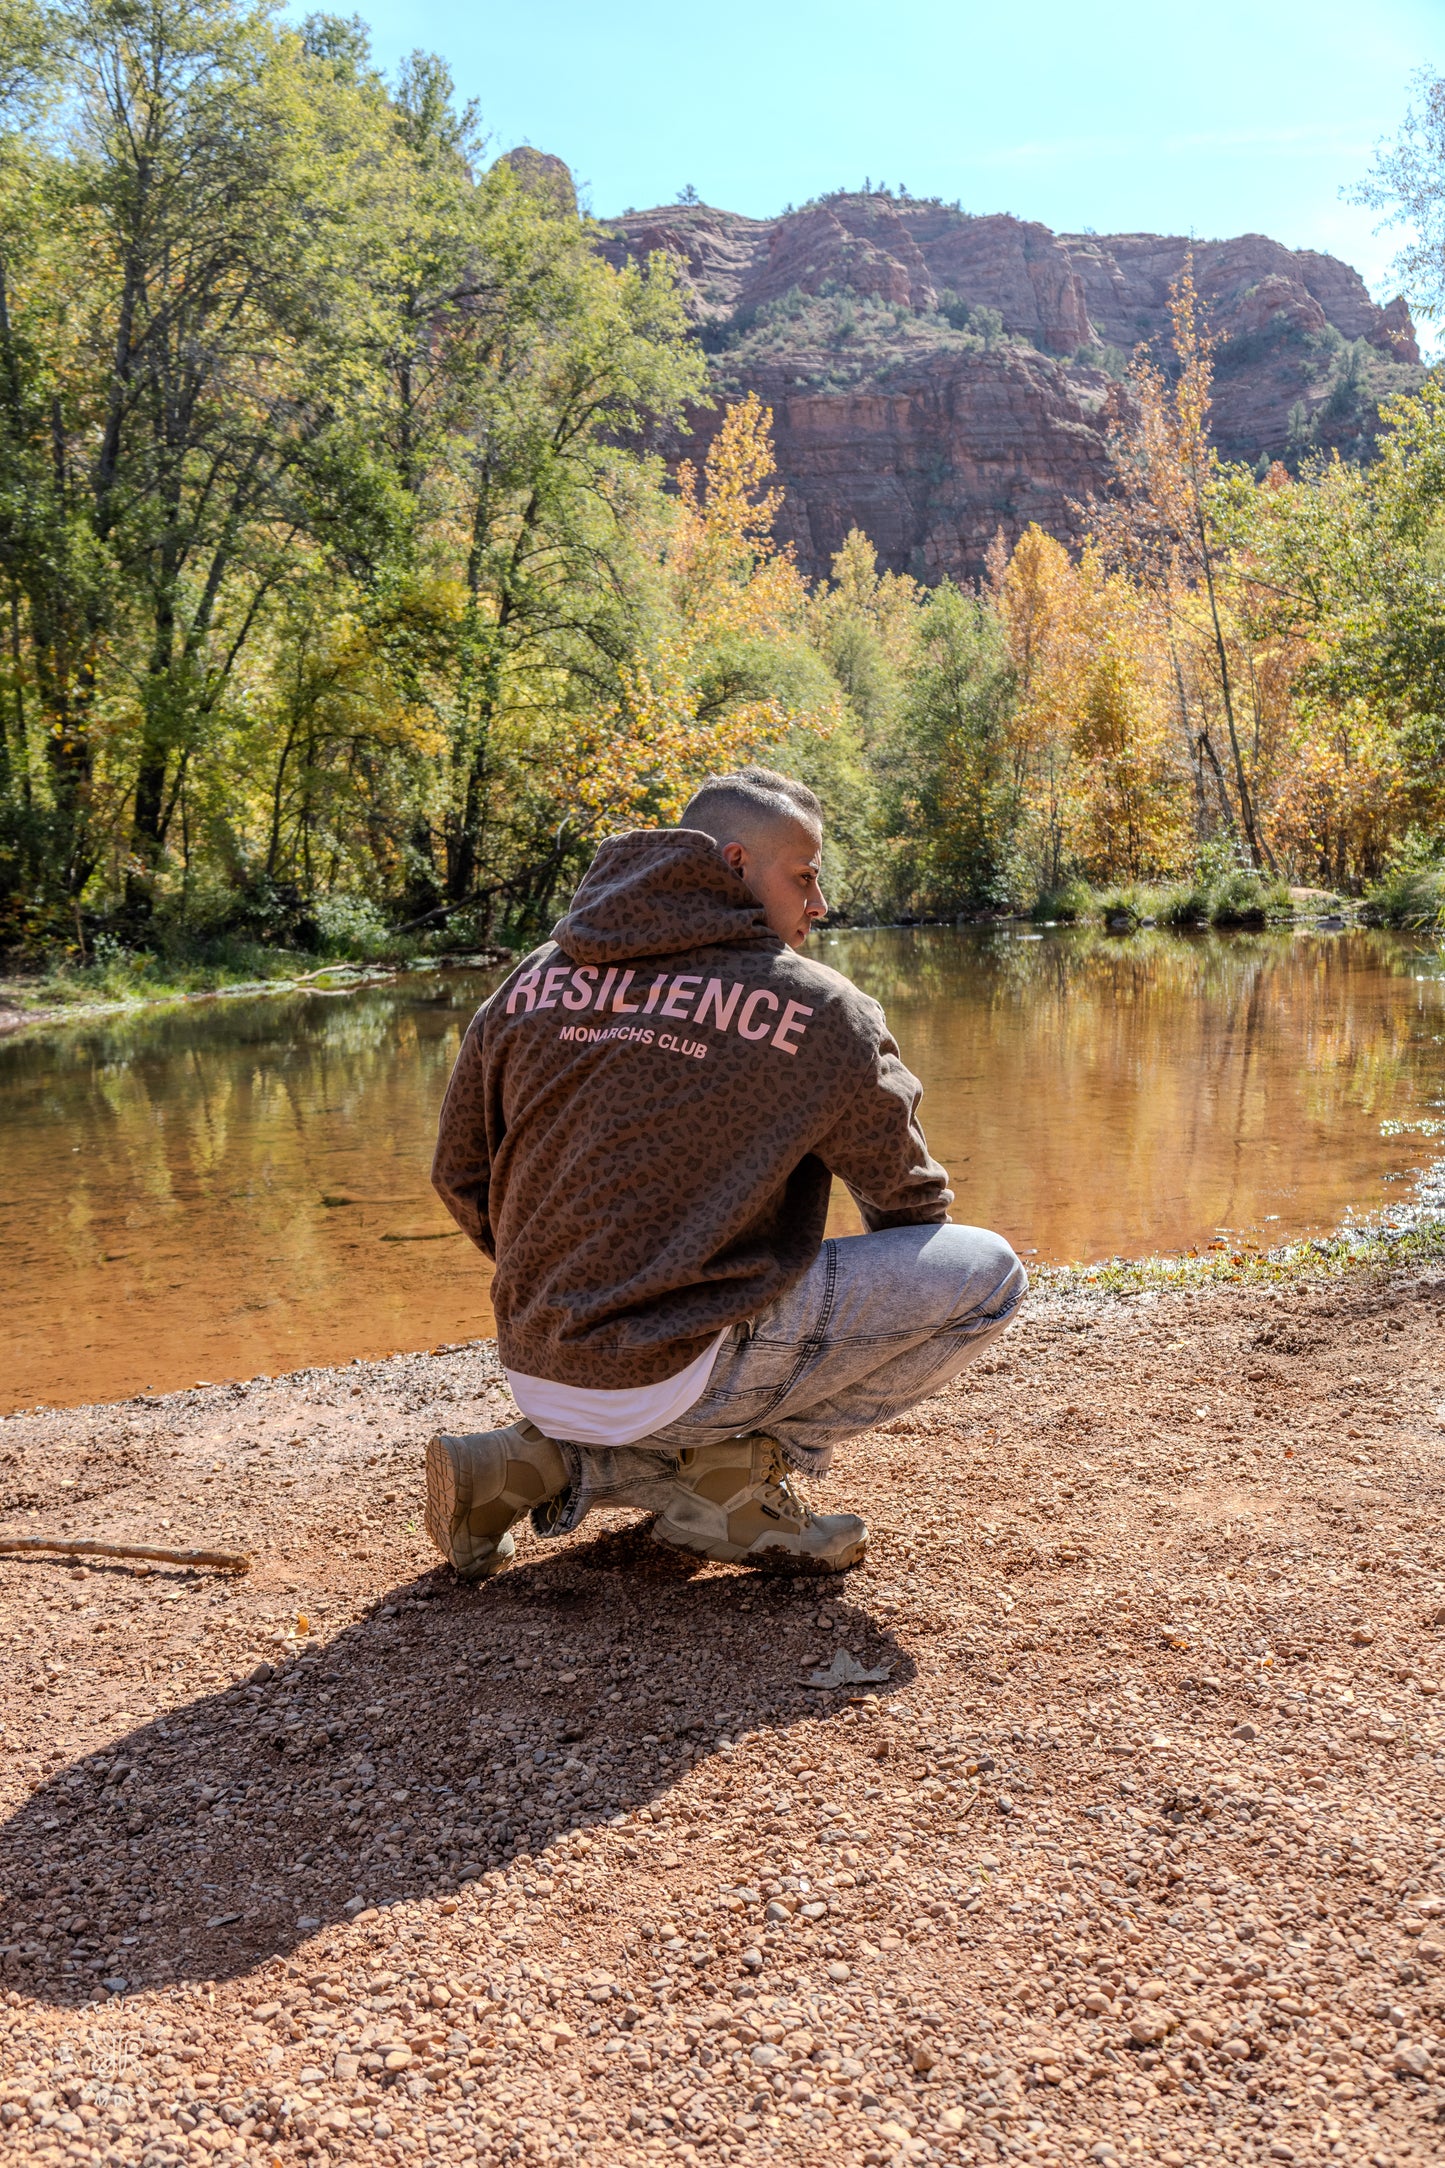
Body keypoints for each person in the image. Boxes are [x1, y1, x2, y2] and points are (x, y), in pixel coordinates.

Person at [427, 766, 1026, 1579]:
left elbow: (459, 1173)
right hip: (669, 1376)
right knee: (986, 1272)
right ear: (737, 864)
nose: (818, 905)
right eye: (805, 877)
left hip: (536, 1361)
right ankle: (729, 1481)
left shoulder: (529, 979)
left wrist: (574, 1284)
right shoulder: (818, 1008)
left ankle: (527, 1460)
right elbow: (908, 1207)